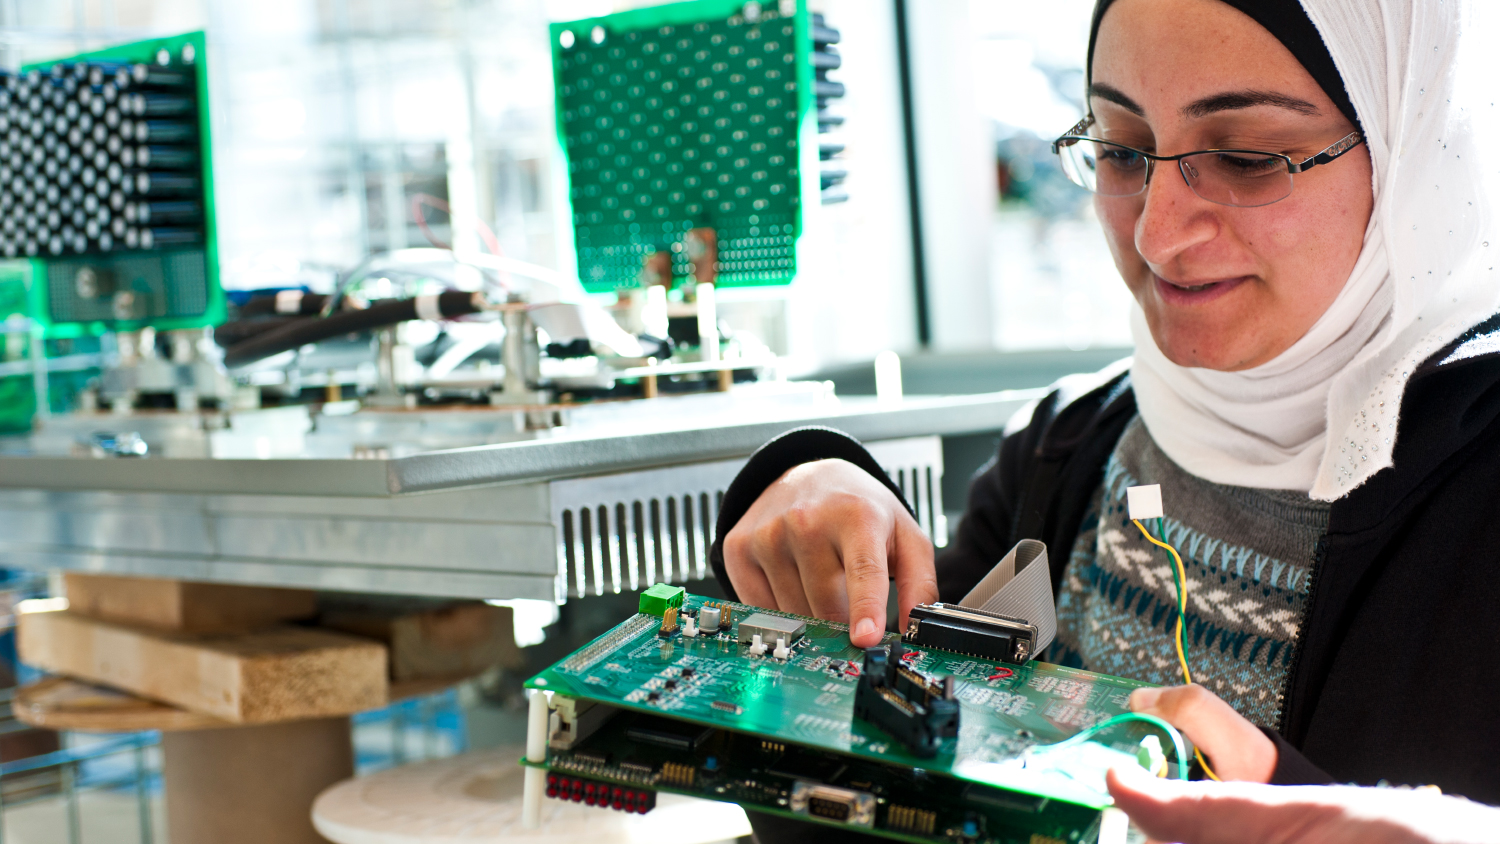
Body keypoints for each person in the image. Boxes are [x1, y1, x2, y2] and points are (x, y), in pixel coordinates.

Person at [709, 0, 1500, 838]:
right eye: (1122, 150)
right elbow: (866, 791)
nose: (1157, 235)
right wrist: (802, 503)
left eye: (1243, 157)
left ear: (1417, 147)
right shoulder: (1067, 450)